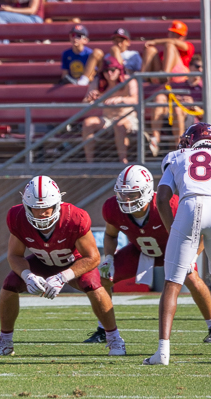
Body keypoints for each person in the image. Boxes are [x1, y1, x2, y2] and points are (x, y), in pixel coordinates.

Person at [0, 176, 126, 357]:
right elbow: (14, 255)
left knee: (94, 286)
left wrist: (63, 277)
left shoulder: (75, 218)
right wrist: (28, 275)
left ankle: (114, 338)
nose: (42, 213)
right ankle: (5, 342)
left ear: (58, 203)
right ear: (26, 206)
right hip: (42, 262)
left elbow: (93, 257)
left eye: (47, 207)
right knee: (9, 284)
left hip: (73, 263)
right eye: (36, 208)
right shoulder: (17, 216)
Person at [88, 165, 211, 345]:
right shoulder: (112, 207)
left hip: (174, 250)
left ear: (146, 191)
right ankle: (104, 330)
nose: (126, 199)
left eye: (133, 194)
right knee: (104, 277)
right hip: (141, 251)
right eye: (123, 194)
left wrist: (191, 257)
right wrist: (108, 258)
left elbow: (200, 233)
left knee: (191, 277)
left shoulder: (170, 205)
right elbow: (111, 234)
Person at [147, 123, 211, 365]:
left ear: (190, 139)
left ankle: (162, 352)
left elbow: (162, 198)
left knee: (172, 283)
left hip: (190, 205)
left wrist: (174, 231)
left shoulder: (177, 155)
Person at [82, 56, 138, 164]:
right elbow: (85, 102)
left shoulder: (129, 80)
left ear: (119, 70)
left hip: (127, 118)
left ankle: (123, 162)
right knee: (88, 123)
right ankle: (89, 163)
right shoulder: (98, 82)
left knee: (119, 123)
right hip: (107, 118)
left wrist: (121, 99)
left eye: (112, 70)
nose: (109, 73)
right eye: (106, 70)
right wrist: (89, 98)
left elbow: (136, 99)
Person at [150, 54, 203, 156]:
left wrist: (193, 105)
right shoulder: (178, 84)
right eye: (197, 66)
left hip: (192, 121)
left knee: (178, 109)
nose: (200, 69)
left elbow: (205, 115)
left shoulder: (204, 88)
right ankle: (155, 140)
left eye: (202, 67)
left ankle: (180, 149)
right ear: (190, 67)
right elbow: (162, 96)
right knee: (160, 98)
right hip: (171, 119)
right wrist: (176, 99)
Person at [141, 20, 194, 85]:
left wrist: (155, 41)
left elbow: (173, 42)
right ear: (168, 33)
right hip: (161, 78)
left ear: (184, 37)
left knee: (170, 45)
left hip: (180, 77)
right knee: (150, 49)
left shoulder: (189, 46)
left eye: (178, 35)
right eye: (172, 33)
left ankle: (165, 74)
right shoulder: (164, 52)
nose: (174, 37)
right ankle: (142, 78)